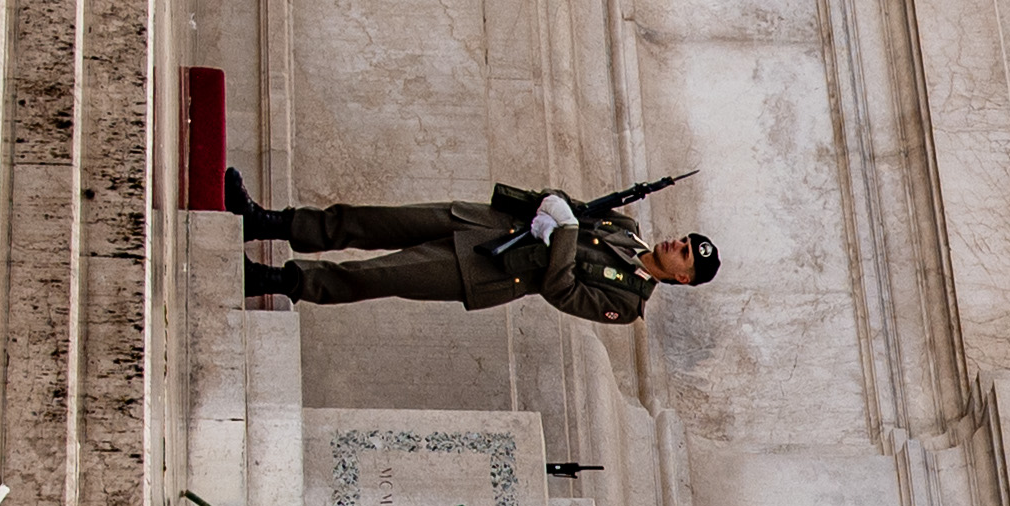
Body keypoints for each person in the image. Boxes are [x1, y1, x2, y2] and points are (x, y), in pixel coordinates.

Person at [228, 171, 717, 322]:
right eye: (685, 240)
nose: (677, 243)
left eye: (685, 254)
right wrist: (554, 206)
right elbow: (572, 207)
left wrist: (563, 232)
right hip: (486, 224)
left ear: (680, 277)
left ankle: (275, 281)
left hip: (489, 270)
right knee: (369, 221)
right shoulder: (625, 226)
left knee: (378, 275)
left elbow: (562, 291)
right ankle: (266, 221)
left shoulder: (628, 303)